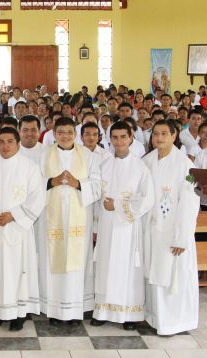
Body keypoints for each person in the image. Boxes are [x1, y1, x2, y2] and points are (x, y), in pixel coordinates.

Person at [0, 127, 45, 331]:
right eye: (1, 142)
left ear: (17, 143)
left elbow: (37, 197)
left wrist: (13, 215)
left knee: (18, 269)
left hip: (18, 228)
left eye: (9, 141)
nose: (5, 146)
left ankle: (18, 315)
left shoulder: (29, 167)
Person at [92, 121, 155, 331]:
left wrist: (118, 205)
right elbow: (95, 196)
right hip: (106, 225)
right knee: (105, 265)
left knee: (126, 268)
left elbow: (147, 199)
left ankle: (129, 313)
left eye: (123, 137)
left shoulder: (140, 166)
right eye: (115, 137)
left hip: (127, 227)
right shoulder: (104, 165)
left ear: (131, 138)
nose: (119, 141)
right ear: (110, 140)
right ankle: (102, 310)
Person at [36, 117, 101, 323]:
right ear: (54, 134)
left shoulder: (88, 156)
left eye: (70, 132)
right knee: (52, 260)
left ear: (76, 134)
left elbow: (98, 184)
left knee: (77, 262)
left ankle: (74, 311)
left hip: (79, 218)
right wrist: (51, 182)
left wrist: (78, 183)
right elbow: (33, 182)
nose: (65, 136)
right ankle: (54, 310)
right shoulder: (44, 154)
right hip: (51, 218)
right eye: (61, 132)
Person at [141, 120, 200, 336]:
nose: (159, 138)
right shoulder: (147, 161)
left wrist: (182, 237)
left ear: (174, 136)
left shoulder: (185, 165)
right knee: (154, 274)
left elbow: (190, 203)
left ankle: (176, 322)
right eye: (156, 133)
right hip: (152, 229)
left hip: (174, 232)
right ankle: (154, 318)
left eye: (164, 133)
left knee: (173, 276)